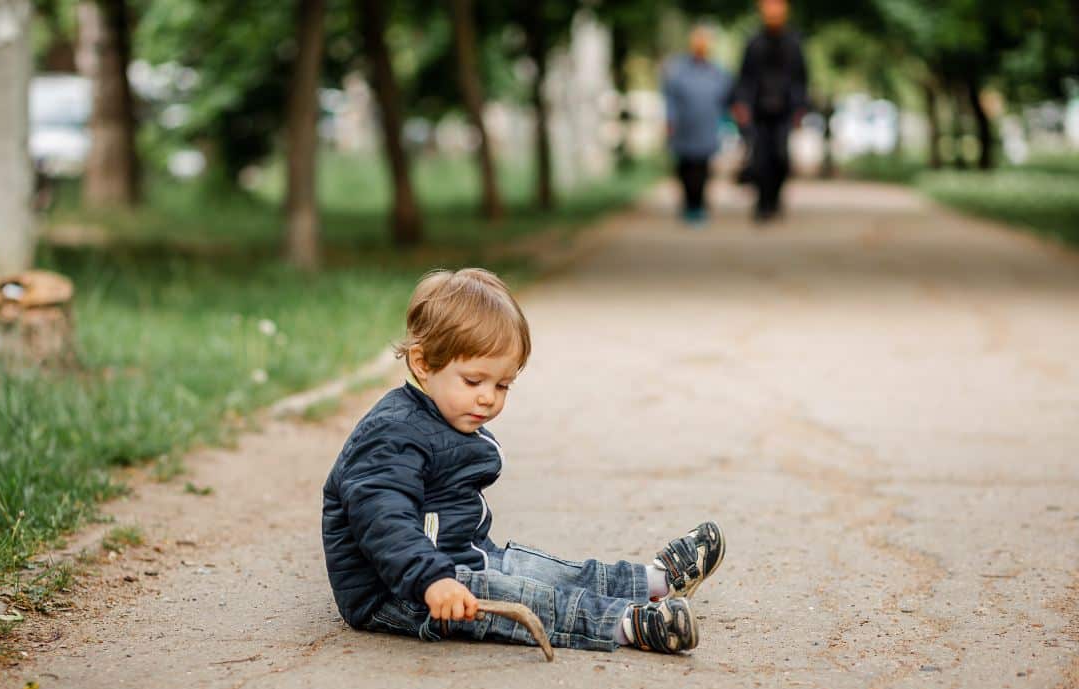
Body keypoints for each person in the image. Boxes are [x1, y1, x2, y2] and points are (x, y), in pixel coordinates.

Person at [322, 268, 726, 654]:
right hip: (399, 592)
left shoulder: (442, 417)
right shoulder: (389, 435)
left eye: (502, 385)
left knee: (538, 569)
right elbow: (383, 521)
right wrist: (431, 580)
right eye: (473, 381)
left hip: (458, 557)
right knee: (523, 597)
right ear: (423, 364)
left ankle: (651, 583)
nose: (489, 397)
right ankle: (627, 624)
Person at [732, 0, 808, 222]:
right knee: (759, 159)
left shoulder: (794, 42)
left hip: (784, 111)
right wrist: (742, 104)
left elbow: (801, 78)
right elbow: (744, 78)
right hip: (758, 111)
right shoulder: (753, 42)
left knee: (781, 157)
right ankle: (763, 203)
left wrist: (800, 107)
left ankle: (774, 199)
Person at [662, 24, 733, 225]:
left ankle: (699, 204)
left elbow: (727, 98)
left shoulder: (718, 72)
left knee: (702, 168)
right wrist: (670, 120)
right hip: (684, 127)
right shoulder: (678, 69)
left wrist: (729, 121)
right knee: (685, 167)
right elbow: (670, 98)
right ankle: (689, 203)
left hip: (707, 127)